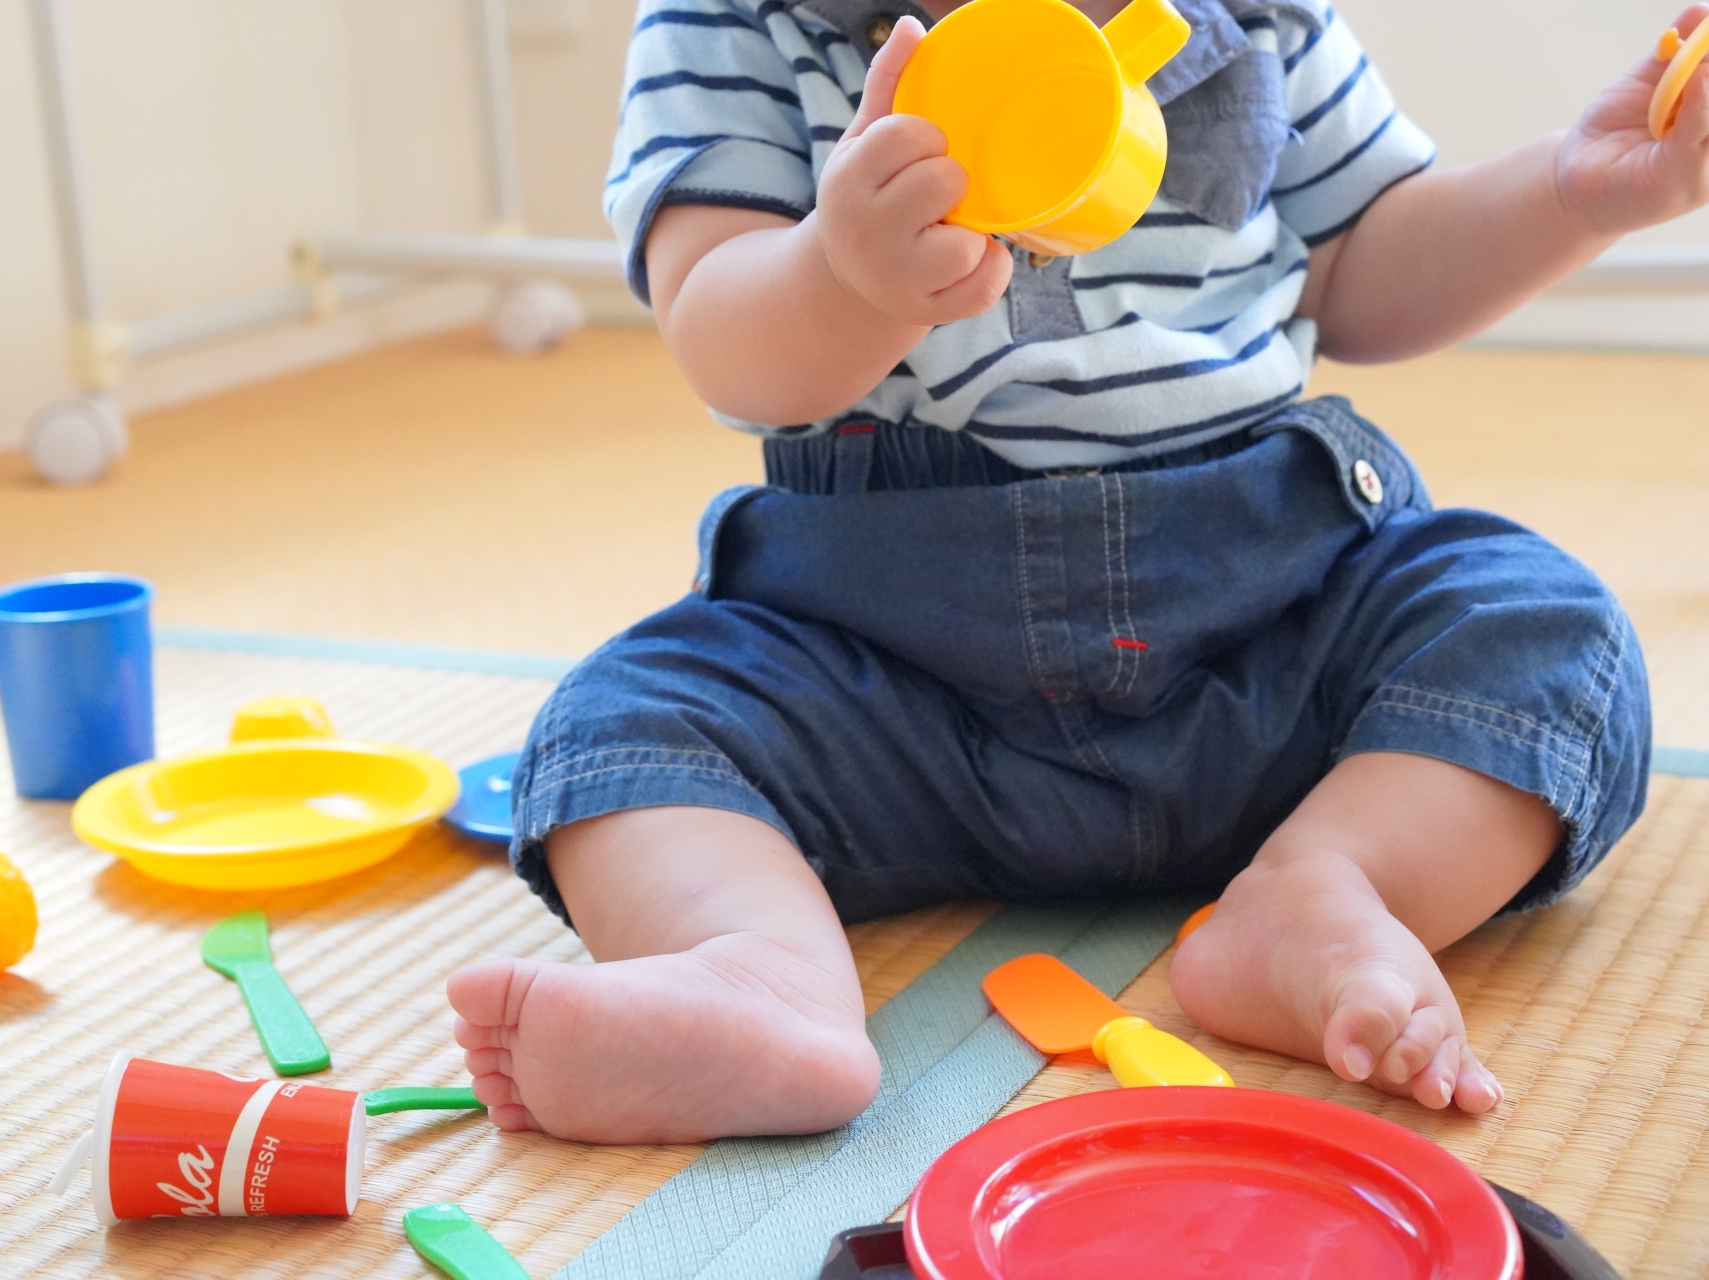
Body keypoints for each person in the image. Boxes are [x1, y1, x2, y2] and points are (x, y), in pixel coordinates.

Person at [448, 0, 1706, 1144]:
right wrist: (844, 273)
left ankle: (1323, 887)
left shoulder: (1257, 20)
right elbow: (721, 333)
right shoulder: (739, 27)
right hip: (887, 673)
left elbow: (1366, 266)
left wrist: (1574, 193)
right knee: (624, 726)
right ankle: (757, 967)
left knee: (1542, 628)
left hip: (1268, 627)